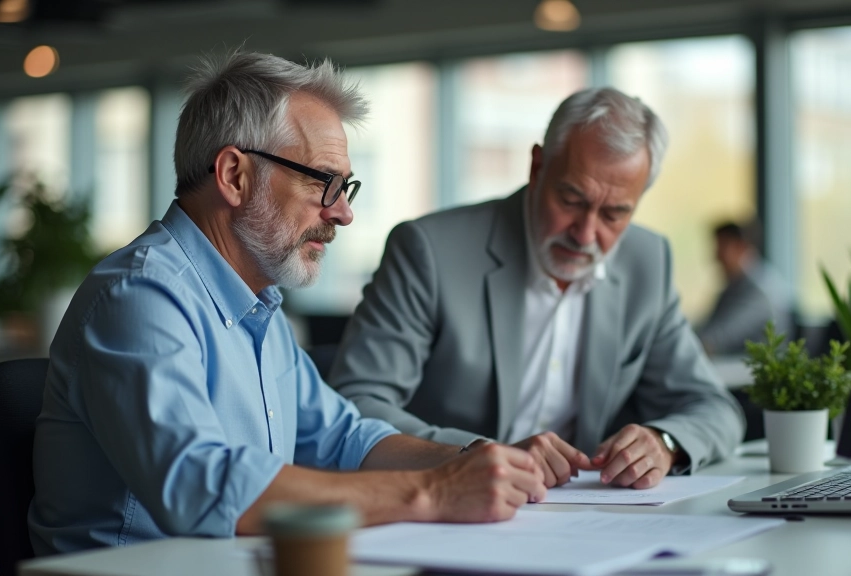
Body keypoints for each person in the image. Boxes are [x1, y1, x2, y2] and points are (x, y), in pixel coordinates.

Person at [28, 51, 547, 556]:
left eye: (346, 187)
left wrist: (477, 459)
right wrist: (435, 492)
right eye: (323, 182)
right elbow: (202, 487)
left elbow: (346, 440)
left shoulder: (258, 307)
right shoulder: (140, 297)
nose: (343, 213)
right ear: (234, 175)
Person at [329, 87, 745, 492]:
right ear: (536, 166)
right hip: (448, 505)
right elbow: (357, 402)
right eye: (571, 199)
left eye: (614, 214)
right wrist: (476, 453)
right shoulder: (430, 251)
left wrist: (665, 442)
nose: (585, 234)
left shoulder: (646, 261)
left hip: (586, 519)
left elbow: (715, 410)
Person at [696, 220, 793, 356]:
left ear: (741, 247)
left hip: (750, 371)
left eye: (722, 248)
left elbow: (715, 340)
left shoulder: (758, 291)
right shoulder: (734, 287)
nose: (716, 257)